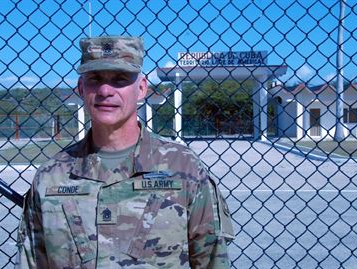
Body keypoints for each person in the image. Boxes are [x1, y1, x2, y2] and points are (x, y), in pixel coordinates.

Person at [16, 35, 235, 269]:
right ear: (81, 88)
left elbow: (212, 259)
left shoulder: (183, 168)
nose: (105, 90)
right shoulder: (51, 175)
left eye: (120, 79)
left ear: (141, 89)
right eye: (94, 79)